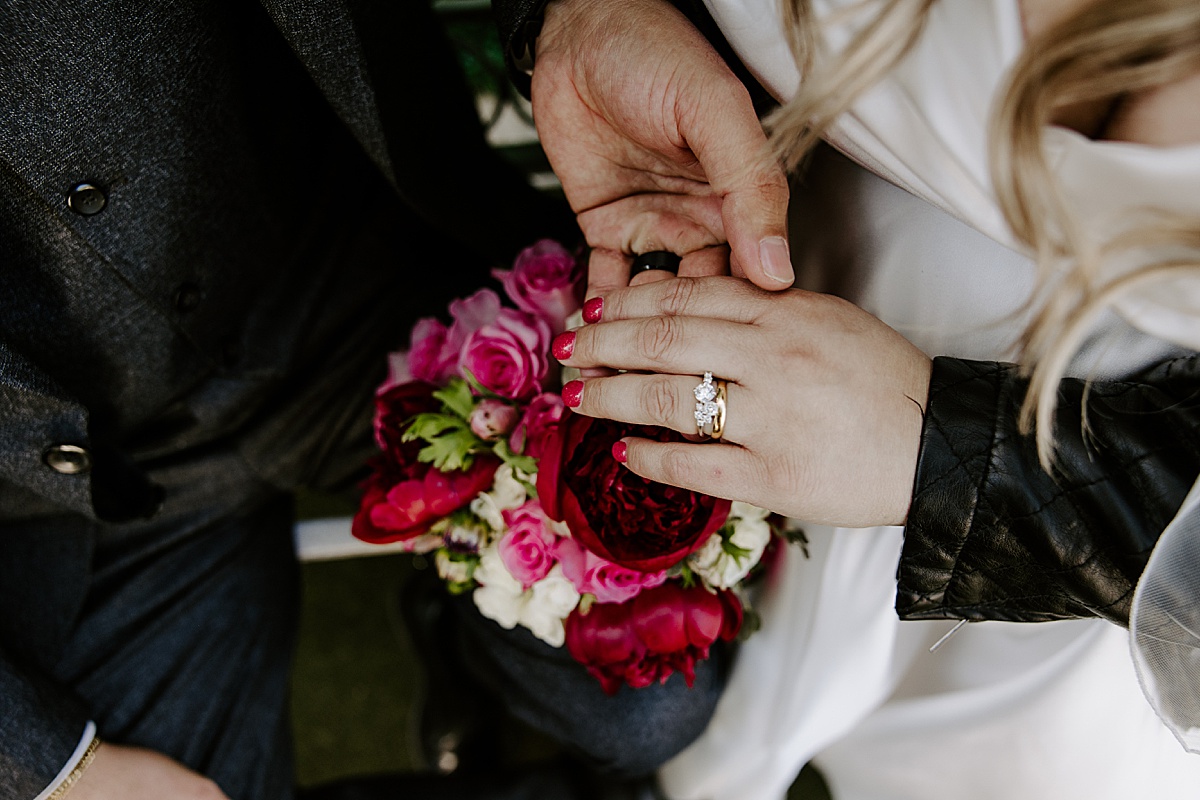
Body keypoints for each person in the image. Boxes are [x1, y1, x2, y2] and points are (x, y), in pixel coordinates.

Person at [0, 2, 734, 799]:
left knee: (650, 716)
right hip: (61, 495)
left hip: (344, 286)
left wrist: (578, 9)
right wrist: (55, 765)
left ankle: (463, 642)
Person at [491, 0, 1200, 796]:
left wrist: (938, 452)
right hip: (713, 212)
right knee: (631, 714)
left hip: (1068, 472)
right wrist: (577, 14)